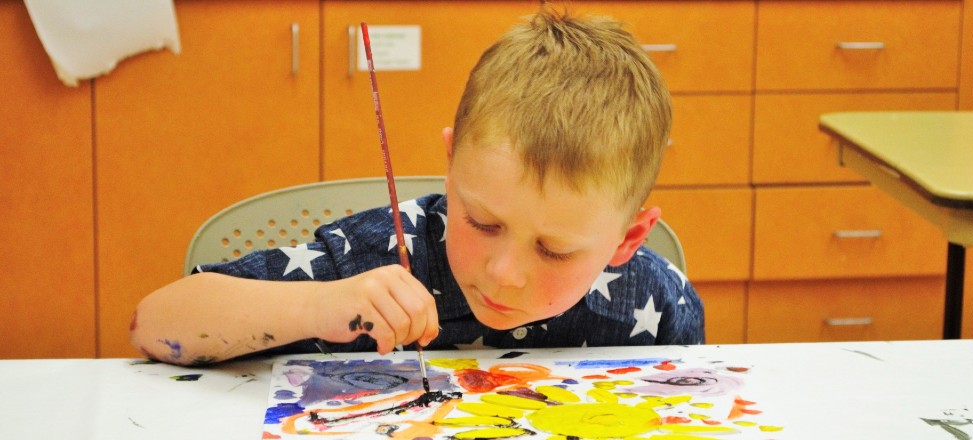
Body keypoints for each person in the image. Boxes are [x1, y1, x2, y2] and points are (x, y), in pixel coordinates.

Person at [131, 7, 704, 366]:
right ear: (451, 165)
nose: (506, 272)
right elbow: (154, 324)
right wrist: (317, 304)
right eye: (483, 222)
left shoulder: (658, 302)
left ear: (628, 240)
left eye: (554, 249)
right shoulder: (374, 262)